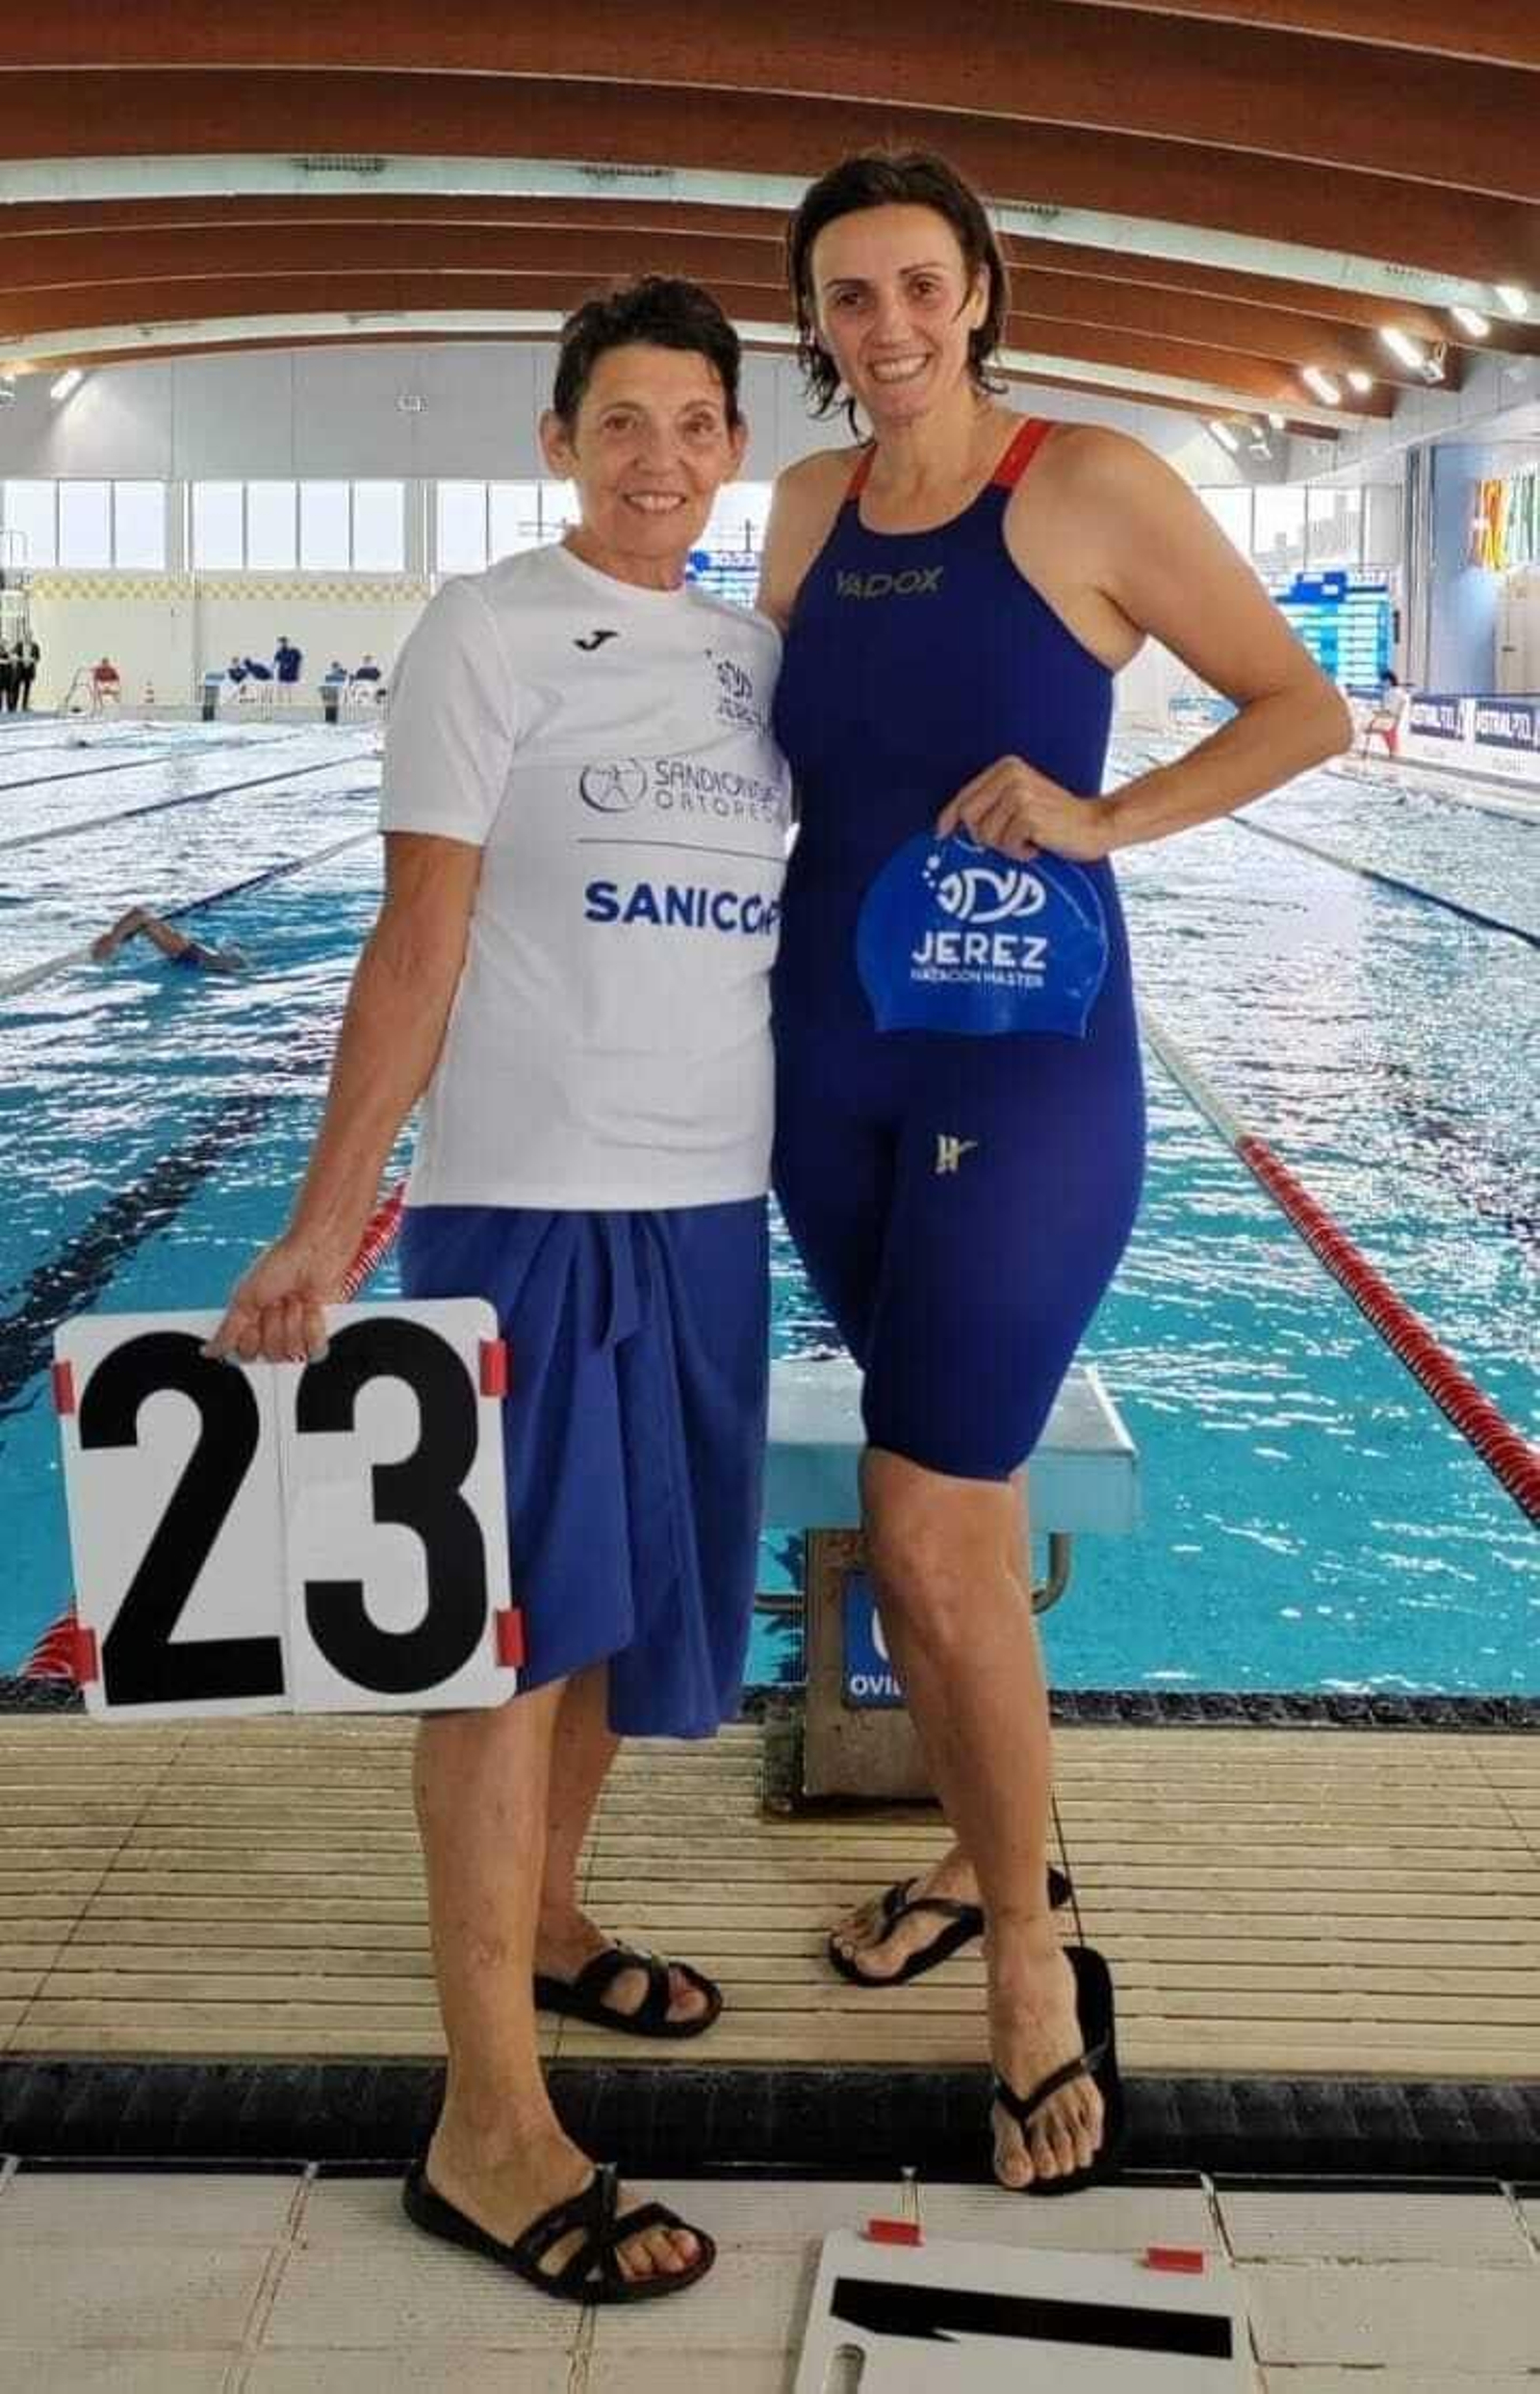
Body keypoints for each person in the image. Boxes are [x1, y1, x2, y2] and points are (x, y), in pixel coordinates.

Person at [758, 149, 1350, 2199]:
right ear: (815, 326)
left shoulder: (1081, 483)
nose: (887, 323)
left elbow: (1303, 705)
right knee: (957, 1510)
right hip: (819, 1081)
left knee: (923, 1526)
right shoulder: (807, 508)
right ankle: (977, 1838)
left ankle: (1027, 1949)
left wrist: (1109, 821)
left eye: (919, 282)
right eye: (846, 296)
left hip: (1023, 1079)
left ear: (981, 289)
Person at [204, 277, 790, 2305]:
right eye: (618, 422)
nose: (657, 459)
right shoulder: (489, 628)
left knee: (620, 1619)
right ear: (558, 445)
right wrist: (321, 1212)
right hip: (525, 1205)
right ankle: (487, 2120)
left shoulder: (748, 656)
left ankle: (547, 1916)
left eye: (695, 421)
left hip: (712, 1206)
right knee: (504, 1637)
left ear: (732, 447)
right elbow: (418, 933)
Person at [90, 905, 248, 973]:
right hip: (194, 958)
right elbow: (139, 914)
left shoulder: (193, 953)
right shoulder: (186, 951)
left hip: (199, 960)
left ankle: (111, 940)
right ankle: (109, 942)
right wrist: (112, 941)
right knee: (143, 921)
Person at [1359, 667, 1410, 759]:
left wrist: (1378, 713)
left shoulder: (1396, 692)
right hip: (1387, 717)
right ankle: (1392, 751)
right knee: (1369, 721)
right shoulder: (1389, 692)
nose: (1382, 683)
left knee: (1370, 723)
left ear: (1389, 681)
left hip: (1391, 717)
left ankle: (1392, 751)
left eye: (1383, 681)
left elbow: (1394, 708)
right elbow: (1386, 707)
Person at [273, 634, 304, 699]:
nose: (282, 644)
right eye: (281, 642)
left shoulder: (294, 651)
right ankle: (281, 701)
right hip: (282, 677)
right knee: (281, 692)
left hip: (291, 677)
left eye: (284, 642)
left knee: (290, 692)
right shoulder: (279, 652)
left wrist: (292, 667)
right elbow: (275, 663)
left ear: (287, 642)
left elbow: (300, 660)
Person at [14, 634, 38, 710]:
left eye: (29, 636)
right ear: (24, 637)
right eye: (26, 636)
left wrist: (32, 659)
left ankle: (24, 706)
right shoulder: (19, 645)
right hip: (20, 669)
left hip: (29, 670)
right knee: (17, 688)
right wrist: (18, 658)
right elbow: (14, 654)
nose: (28, 638)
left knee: (27, 689)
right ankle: (14, 705)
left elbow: (37, 657)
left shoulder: (35, 646)